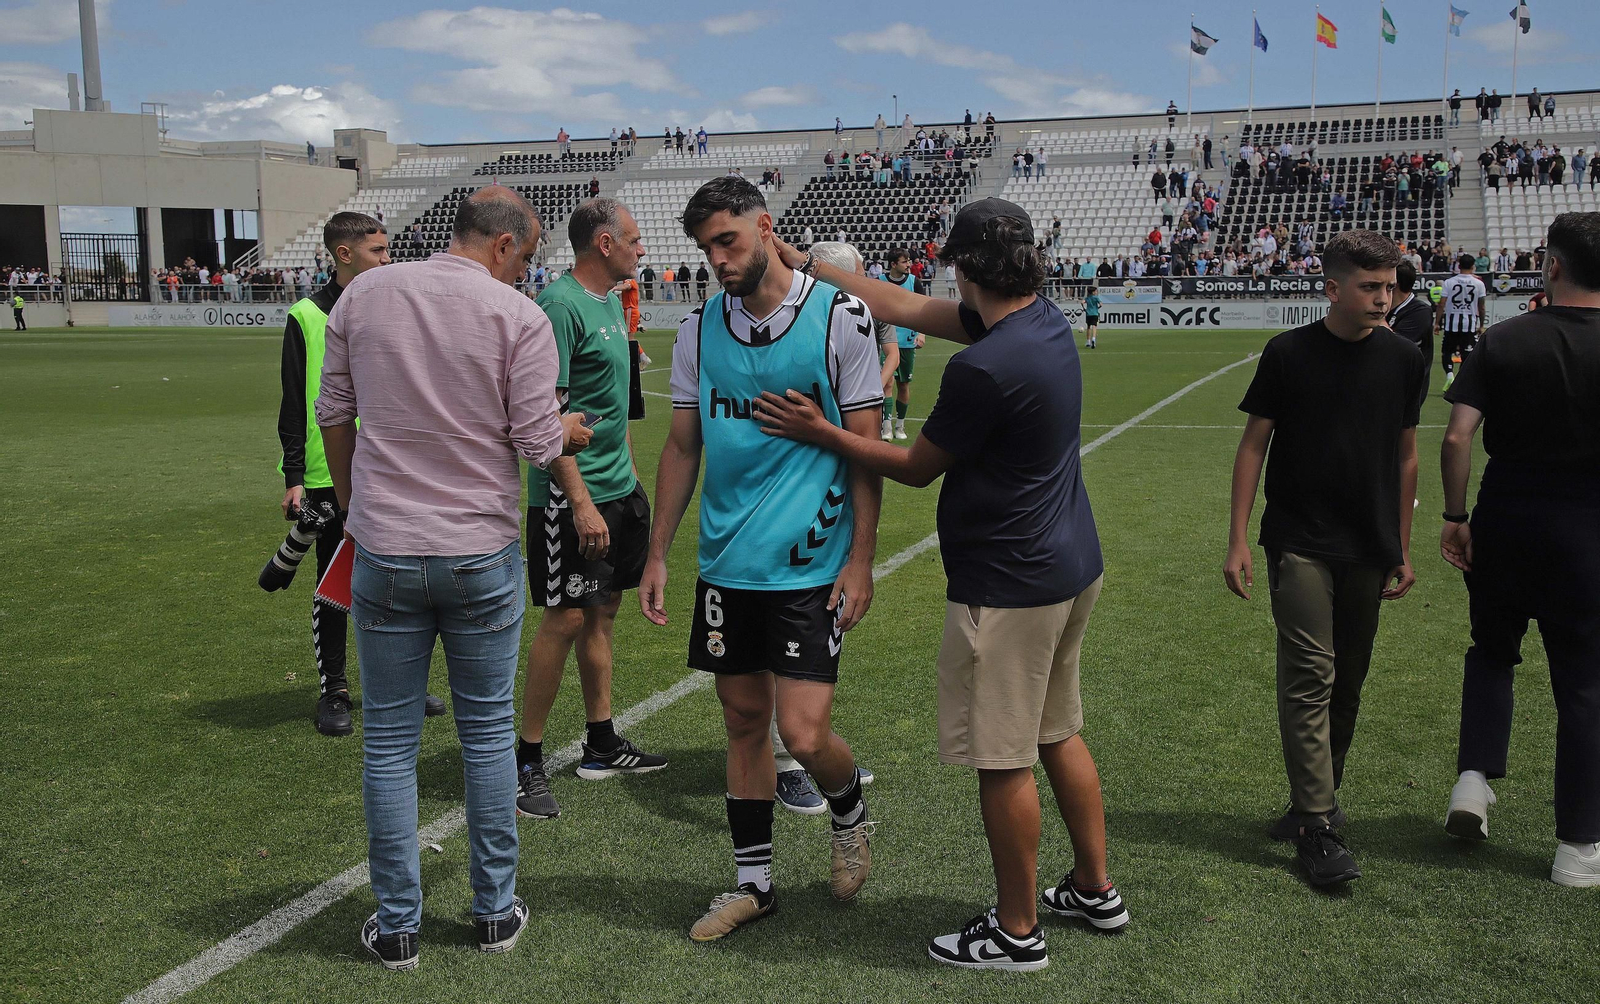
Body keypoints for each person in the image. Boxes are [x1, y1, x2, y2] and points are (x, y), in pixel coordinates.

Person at [753, 197, 1126, 972]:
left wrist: (821, 431)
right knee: (1058, 731)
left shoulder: (984, 365)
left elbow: (918, 469)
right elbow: (906, 307)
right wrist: (805, 262)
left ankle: (1016, 933)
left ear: (963, 265)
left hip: (1009, 584)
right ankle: (1094, 886)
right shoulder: (1041, 321)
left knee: (1005, 759)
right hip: (1067, 567)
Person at [316, 186, 594, 970]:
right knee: (484, 737)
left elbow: (332, 410)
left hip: (388, 550)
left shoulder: (366, 292)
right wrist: (568, 427)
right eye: (529, 259)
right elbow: (541, 441)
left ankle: (398, 922)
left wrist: (352, 501)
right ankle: (493, 911)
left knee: (391, 746)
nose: (527, 273)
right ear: (503, 246)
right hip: (476, 551)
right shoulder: (517, 315)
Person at [640, 178, 882, 942]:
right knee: (743, 723)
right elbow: (684, 445)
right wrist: (659, 555)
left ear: (766, 228)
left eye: (728, 241)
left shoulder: (840, 316)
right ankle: (753, 885)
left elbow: (868, 452)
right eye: (706, 247)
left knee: (804, 736)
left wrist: (862, 561)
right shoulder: (699, 329)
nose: (716, 259)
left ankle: (848, 810)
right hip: (726, 565)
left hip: (811, 563)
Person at [1224, 229, 1425, 888]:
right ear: (1333, 288)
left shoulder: (1404, 359)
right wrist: (1237, 539)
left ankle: (1314, 801)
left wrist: (1402, 544)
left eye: (1390, 285)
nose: (1384, 297)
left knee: (1349, 683)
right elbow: (1253, 446)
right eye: (1371, 286)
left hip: (1369, 542)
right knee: (1312, 674)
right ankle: (1316, 825)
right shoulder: (1288, 354)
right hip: (1299, 539)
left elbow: (1406, 454)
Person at [1439, 212, 1600, 887]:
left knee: (1493, 650)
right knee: (1585, 685)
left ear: (1554, 265)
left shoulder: (1502, 338)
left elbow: (1456, 437)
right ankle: (1579, 849)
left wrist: (1455, 515)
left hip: (1506, 513)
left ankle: (1473, 781)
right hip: (1588, 522)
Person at [514, 199, 665, 821]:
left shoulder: (611, 301)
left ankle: (600, 741)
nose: (641, 249)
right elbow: (544, 415)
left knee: (602, 613)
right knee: (566, 620)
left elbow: (609, 403)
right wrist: (579, 502)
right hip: (569, 499)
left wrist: (626, 488)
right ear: (604, 243)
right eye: (633, 239)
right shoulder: (558, 306)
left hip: (615, 490)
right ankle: (525, 760)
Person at [276, 213, 440, 736]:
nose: (387, 260)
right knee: (336, 582)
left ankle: (397, 684)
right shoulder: (305, 315)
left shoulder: (389, 307)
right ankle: (335, 690)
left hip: (389, 465)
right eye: (378, 251)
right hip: (329, 474)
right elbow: (294, 401)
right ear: (344, 254)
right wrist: (295, 476)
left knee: (398, 579)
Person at [771, 239, 884, 812]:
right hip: (778, 524)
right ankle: (788, 763)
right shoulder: (795, 328)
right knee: (777, 658)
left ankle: (804, 755)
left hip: (826, 515)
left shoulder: (845, 324)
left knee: (803, 663)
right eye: (857, 279)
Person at [879, 249, 921, 440]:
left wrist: (921, 333)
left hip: (907, 341)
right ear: (893, 264)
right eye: (904, 262)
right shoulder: (879, 281)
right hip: (885, 341)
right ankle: (886, 426)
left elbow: (924, 308)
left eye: (908, 261)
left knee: (903, 384)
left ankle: (900, 426)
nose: (908, 265)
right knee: (886, 382)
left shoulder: (914, 282)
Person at [1387, 260, 1436, 406]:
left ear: (1394, 284)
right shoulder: (1388, 308)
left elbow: (1394, 346)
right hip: (1386, 383)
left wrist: (1376, 316)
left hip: (1408, 388)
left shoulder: (1420, 311)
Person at [1436, 253, 1488, 390]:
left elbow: (1441, 304)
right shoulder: (1479, 284)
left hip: (1450, 324)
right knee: (1467, 355)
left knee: (1447, 352)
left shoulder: (1449, 282)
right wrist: (1481, 325)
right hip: (1469, 324)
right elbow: (1481, 307)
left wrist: (1437, 323)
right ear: (1473, 266)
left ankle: (1449, 375)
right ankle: (1460, 381)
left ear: (1458, 266)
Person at [1083, 284, 1100, 349]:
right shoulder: (1096, 298)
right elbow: (1101, 304)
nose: (1096, 292)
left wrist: (1084, 308)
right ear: (1093, 292)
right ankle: (1093, 339)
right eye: (1095, 291)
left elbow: (1082, 302)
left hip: (1088, 314)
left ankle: (1088, 341)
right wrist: (1098, 307)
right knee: (1094, 326)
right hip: (1095, 313)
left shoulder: (1087, 298)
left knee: (1088, 327)